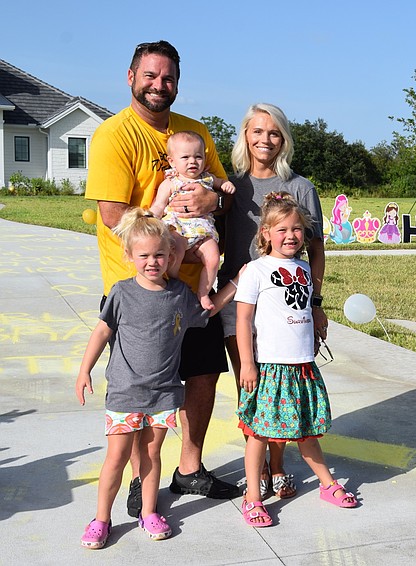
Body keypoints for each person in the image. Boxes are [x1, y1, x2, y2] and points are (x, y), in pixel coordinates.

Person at [85, 40, 241, 519]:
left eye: (168, 77)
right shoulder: (113, 135)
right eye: (150, 76)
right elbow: (114, 215)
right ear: (130, 77)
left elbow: (223, 193)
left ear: (178, 82)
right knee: (144, 388)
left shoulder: (196, 132)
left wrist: (211, 203)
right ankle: (141, 476)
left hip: (197, 289)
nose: (159, 85)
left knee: (202, 373)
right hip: (141, 288)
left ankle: (188, 468)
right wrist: (164, 237)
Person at [76, 209, 238, 548]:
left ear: (171, 256)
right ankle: (101, 519)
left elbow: (205, 314)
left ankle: (149, 512)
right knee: (117, 458)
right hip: (124, 392)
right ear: (130, 256)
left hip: (164, 393)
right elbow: (103, 331)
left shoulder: (179, 293)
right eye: (144, 255)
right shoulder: (121, 293)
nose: (153, 261)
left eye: (160, 254)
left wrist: (236, 283)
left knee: (152, 455)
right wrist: (84, 369)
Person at [217, 103, 327, 500]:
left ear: (284, 140)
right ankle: (257, 468)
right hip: (240, 303)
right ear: (245, 136)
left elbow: (315, 250)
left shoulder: (300, 187)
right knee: (254, 384)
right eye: (257, 131)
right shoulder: (229, 188)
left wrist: (315, 303)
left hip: (288, 304)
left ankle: (277, 467)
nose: (265, 139)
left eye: (274, 133)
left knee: (285, 388)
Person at [234, 192, 356, 526]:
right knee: (259, 433)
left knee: (306, 432)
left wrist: (317, 314)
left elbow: (305, 306)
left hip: (302, 366)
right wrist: (247, 363)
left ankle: (327, 485)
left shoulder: (303, 268)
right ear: (265, 234)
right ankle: (253, 498)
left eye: (297, 229)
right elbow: (243, 320)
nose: (291, 235)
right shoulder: (256, 271)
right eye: (282, 229)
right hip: (270, 367)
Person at [150, 130, 236, 310]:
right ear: (172, 161)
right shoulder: (171, 182)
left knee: (213, 258)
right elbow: (158, 205)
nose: (192, 161)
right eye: (186, 157)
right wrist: (150, 217)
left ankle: (203, 293)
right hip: (179, 228)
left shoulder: (207, 178)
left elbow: (221, 186)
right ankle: (174, 283)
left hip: (203, 231)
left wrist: (225, 185)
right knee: (177, 250)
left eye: (198, 157)